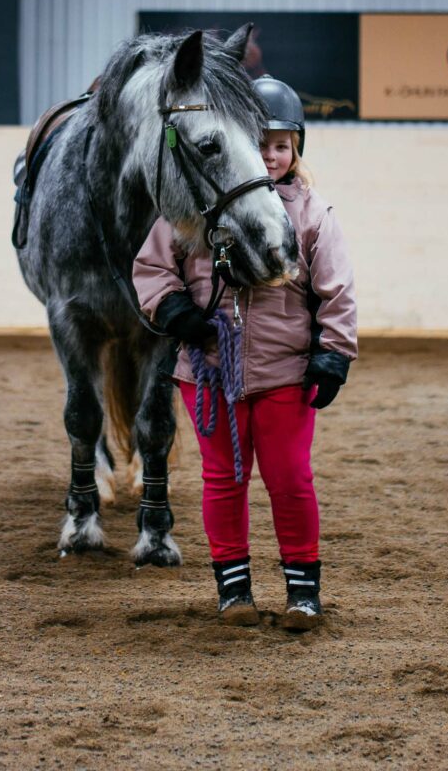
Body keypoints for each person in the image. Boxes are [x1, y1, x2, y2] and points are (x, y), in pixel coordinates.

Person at [132, 75, 357, 631]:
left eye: (282, 145)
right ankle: (234, 590)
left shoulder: (311, 214)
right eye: (258, 144)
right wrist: (175, 311)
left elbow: (337, 290)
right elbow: (153, 271)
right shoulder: (190, 211)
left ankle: (303, 592)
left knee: (290, 479)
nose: (271, 156)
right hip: (210, 371)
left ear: (296, 150)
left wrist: (334, 352)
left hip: (285, 372)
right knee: (223, 479)